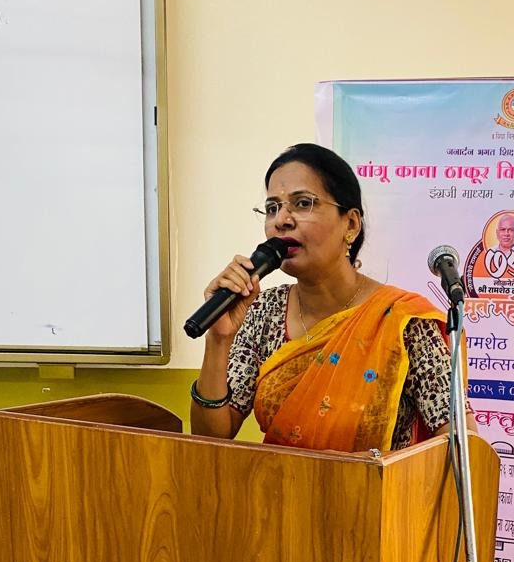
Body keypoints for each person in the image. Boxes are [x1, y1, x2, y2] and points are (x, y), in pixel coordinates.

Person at [190, 143, 475, 452]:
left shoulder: (404, 321)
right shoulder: (262, 311)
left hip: (375, 485)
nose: (281, 220)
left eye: (302, 203)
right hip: (277, 483)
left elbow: (462, 445)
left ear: (350, 224)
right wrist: (218, 339)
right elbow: (211, 439)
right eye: (272, 208)